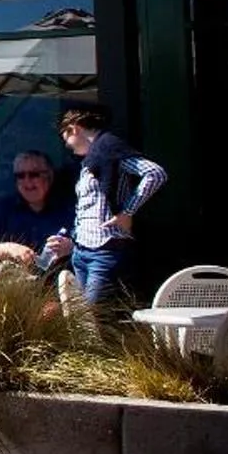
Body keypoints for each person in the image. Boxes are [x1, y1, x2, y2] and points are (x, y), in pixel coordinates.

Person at [46, 103, 167, 312]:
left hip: (104, 250)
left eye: (65, 136)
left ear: (74, 128)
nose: (67, 145)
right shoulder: (89, 161)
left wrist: (127, 212)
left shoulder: (110, 148)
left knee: (94, 316)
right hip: (82, 249)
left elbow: (155, 173)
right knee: (82, 320)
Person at [0, 151, 70, 270]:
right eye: (20, 176)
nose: (27, 181)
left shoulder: (69, 209)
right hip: (14, 285)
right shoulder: (1, 209)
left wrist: (70, 248)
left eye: (34, 174)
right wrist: (9, 249)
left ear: (50, 176)